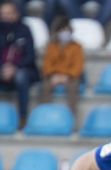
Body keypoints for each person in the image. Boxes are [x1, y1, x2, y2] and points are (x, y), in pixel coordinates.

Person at [0, 0, 39, 129]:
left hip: (22, 70)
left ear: (16, 14)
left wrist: (14, 68)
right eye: (3, 13)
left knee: (21, 76)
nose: (6, 16)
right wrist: (2, 69)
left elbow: (30, 56)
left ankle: (23, 117)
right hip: (2, 71)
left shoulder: (25, 30)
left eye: (9, 13)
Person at [39, 17, 83, 120]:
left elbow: (78, 65)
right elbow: (47, 64)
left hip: (70, 76)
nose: (65, 33)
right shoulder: (51, 46)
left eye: (67, 30)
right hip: (53, 75)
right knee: (45, 86)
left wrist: (67, 76)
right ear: (57, 32)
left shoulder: (77, 47)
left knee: (73, 87)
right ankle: (44, 116)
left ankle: (71, 118)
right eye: (62, 30)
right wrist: (53, 75)